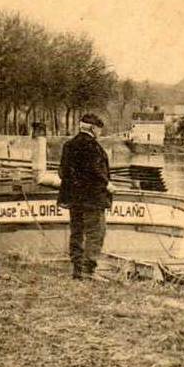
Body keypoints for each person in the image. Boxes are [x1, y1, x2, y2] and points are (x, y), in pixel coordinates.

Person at [58, 113, 114, 280]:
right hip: (92, 199)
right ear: (92, 128)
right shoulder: (93, 147)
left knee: (77, 232)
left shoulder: (68, 145)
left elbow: (62, 173)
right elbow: (96, 172)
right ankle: (89, 270)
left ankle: (77, 269)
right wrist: (108, 184)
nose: (100, 133)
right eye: (99, 129)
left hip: (74, 198)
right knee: (95, 232)